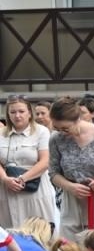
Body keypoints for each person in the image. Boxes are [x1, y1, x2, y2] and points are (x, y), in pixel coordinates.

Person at [47, 97, 94, 251]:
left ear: (78, 119)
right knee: (70, 247)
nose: (62, 133)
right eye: (57, 128)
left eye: (65, 128)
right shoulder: (56, 139)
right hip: (71, 199)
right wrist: (70, 187)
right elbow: (53, 172)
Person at [2, 96, 55, 228]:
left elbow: (45, 161)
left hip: (34, 187)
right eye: (13, 112)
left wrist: (22, 179)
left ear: (29, 113)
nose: (17, 116)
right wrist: (5, 179)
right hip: (6, 187)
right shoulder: (1, 133)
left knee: (38, 231)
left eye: (21, 111)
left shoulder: (41, 131)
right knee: (10, 232)